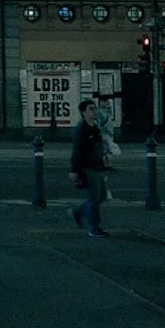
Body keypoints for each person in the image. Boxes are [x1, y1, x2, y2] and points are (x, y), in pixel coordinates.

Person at [68, 99, 108, 238]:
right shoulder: (81, 129)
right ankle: (94, 227)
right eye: (91, 109)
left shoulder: (95, 127)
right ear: (83, 112)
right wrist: (74, 169)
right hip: (88, 167)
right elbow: (77, 150)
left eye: (94, 108)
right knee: (94, 198)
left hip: (97, 165)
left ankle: (78, 212)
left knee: (101, 196)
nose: (94, 111)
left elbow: (98, 147)